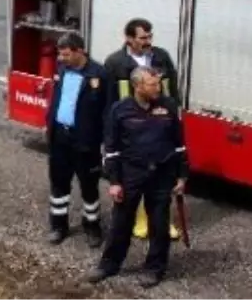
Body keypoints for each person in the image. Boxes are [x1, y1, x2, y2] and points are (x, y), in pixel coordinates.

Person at [88, 67, 188, 288]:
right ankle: (109, 265)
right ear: (137, 86)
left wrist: (182, 176)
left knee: (159, 225)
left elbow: (179, 144)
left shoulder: (168, 106)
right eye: (152, 84)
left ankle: (154, 269)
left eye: (158, 83)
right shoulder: (120, 110)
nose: (158, 88)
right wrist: (114, 181)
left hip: (162, 175)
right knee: (121, 222)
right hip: (130, 174)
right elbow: (111, 148)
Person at [102, 17, 181, 241]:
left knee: (163, 176)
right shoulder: (115, 63)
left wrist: (175, 113)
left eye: (150, 36)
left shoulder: (161, 56)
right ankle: (140, 220)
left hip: (159, 123)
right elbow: (109, 102)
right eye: (143, 37)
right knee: (135, 175)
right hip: (130, 128)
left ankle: (164, 222)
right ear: (128, 38)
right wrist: (109, 132)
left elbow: (172, 89)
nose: (148, 41)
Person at [43, 31, 111, 248]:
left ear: (80, 51)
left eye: (65, 55)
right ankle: (58, 226)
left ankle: (92, 226)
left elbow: (108, 111)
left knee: (89, 188)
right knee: (59, 185)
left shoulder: (99, 74)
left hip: (85, 142)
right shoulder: (62, 68)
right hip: (60, 138)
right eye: (60, 55)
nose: (61, 59)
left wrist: (106, 142)